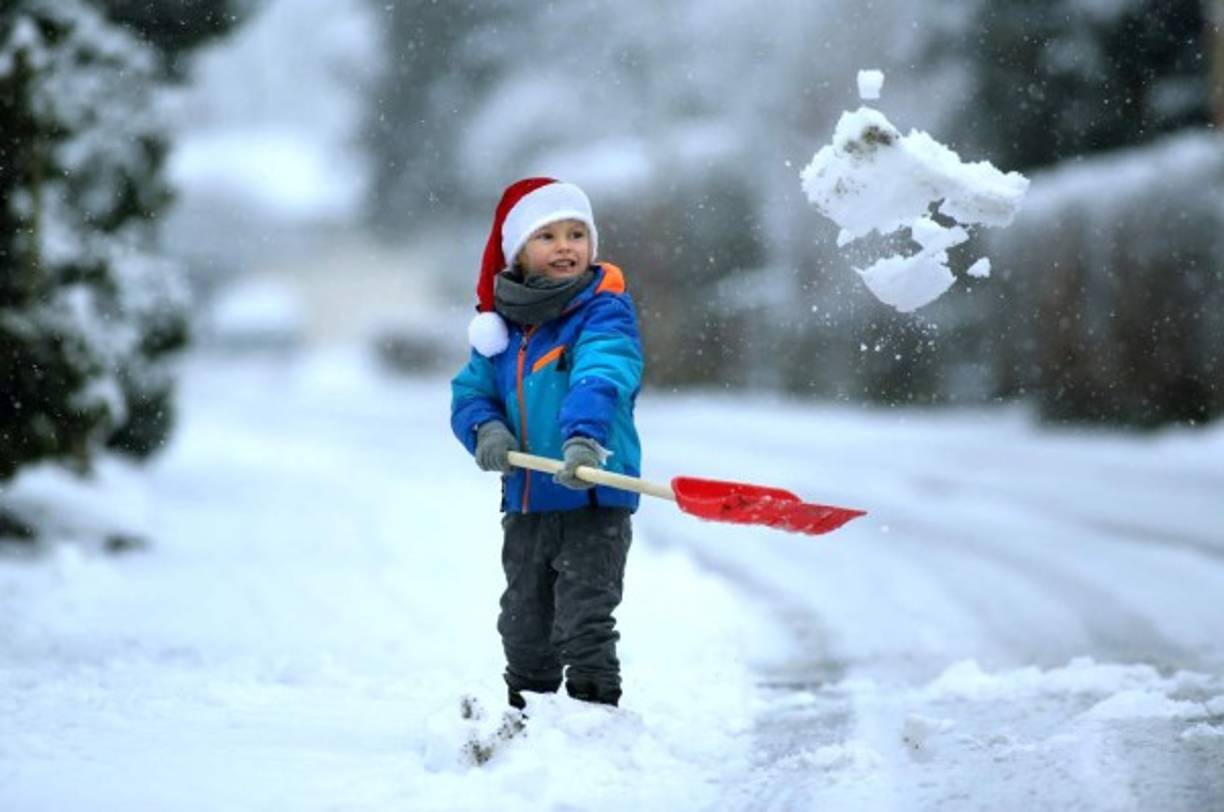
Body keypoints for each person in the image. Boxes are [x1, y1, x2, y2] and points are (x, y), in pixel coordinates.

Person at [450, 177, 644, 710]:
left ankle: (594, 718)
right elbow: (470, 392)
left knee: (584, 617)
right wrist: (484, 429)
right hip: (529, 496)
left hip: (593, 490)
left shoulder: (604, 310)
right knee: (523, 621)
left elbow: (603, 372)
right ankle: (528, 719)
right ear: (518, 254)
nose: (566, 246)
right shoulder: (499, 330)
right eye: (548, 236)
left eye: (577, 233)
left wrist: (585, 438)